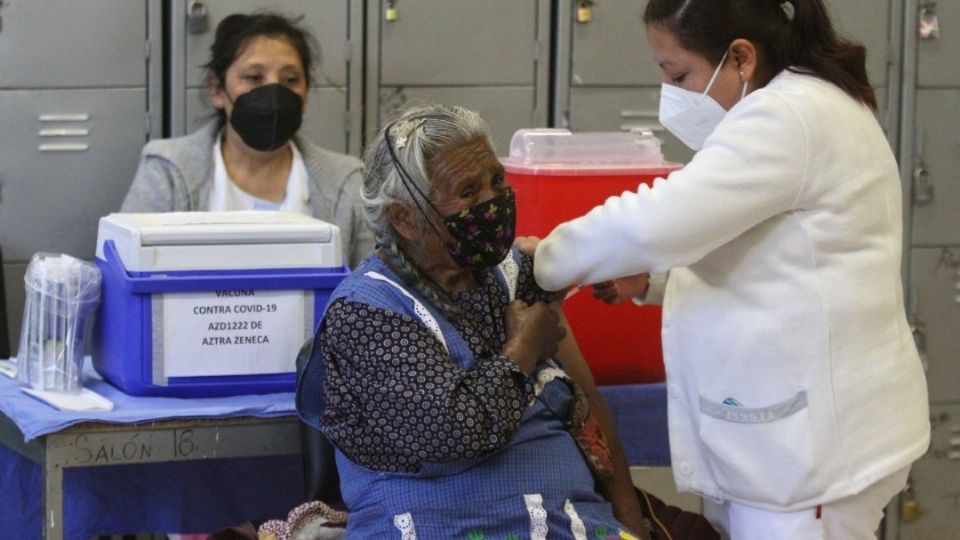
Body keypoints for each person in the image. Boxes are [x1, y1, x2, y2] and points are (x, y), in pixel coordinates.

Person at [532, 1, 930, 539]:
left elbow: (658, 221)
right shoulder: (810, 100)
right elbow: (779, 261)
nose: (673, 93)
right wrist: (652, 283)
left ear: (741, 57)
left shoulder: (786, 117)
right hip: (806, 449)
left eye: (680, 74)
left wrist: (542, 260)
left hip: (812, 463)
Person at [297, 104, 660, 539]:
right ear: (403, 218)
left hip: (569, 521)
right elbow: (456, 433)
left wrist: (631, 519)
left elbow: (589, 408)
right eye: (468, 192)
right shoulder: (367, 312)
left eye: (497, 180)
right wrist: (524, 349)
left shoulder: (517, 274)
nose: (492, 202)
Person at [121, 12, 374, 268]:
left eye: (290, 80)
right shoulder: (167, 173)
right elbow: (125, 271)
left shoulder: (347, 181)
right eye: (254, 78)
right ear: (217, 90)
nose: (274, 93)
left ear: (305, 94)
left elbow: (379, 289)